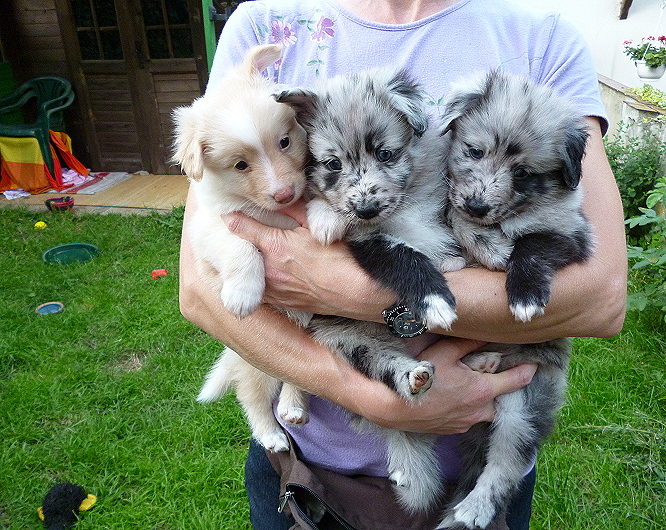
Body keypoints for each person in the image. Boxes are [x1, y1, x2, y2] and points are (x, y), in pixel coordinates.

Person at [179, 0, 628, 528]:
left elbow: (601, 299)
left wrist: (357, 293)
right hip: (306, 472)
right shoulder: (264, 26)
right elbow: (199, 289)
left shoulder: (544, 39)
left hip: (484, 457)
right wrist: (370, 396)